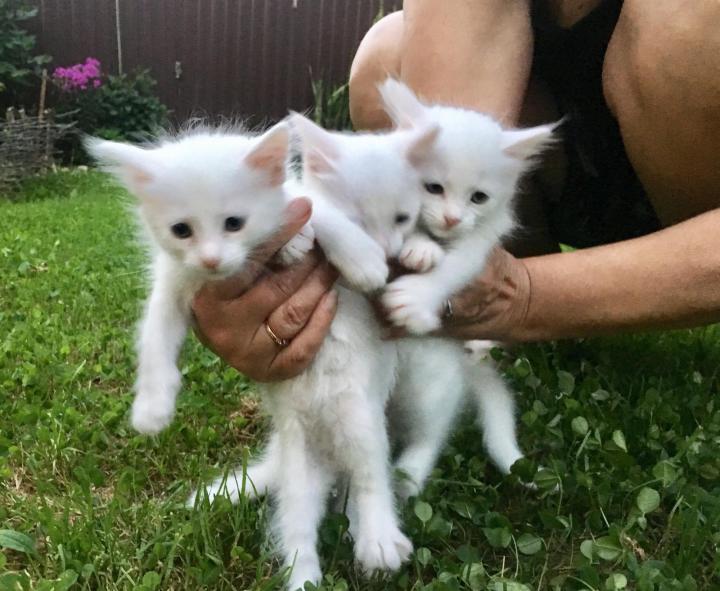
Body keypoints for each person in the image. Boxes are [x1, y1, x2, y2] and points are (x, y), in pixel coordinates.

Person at [192, 0, 720, 382]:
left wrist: (521, 296)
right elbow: (431, 227)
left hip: (691, 198)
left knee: (681, 24)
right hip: (552, 180)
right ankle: (512, 337)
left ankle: (577, 301)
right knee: (385, 56)